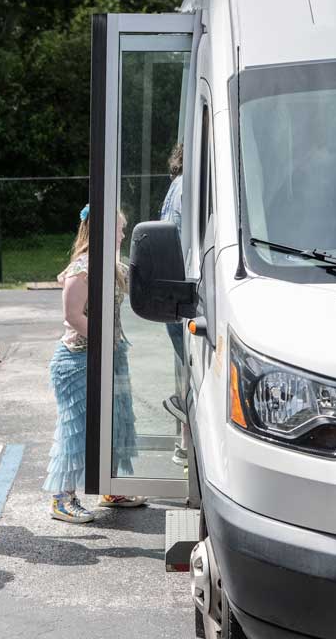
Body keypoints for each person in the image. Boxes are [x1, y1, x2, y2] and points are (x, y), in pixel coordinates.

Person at [43, 204, 144, 523]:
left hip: (107, 356)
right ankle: (61, 498)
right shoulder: (83, 267)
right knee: (77, 427)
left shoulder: (112, 265)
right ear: (101, 230)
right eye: (120, 228)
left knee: (114, 419)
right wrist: (103, 341)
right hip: (78, 360)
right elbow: (72, 316)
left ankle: (110, 486)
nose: (124, 233)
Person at [159, 144, 189, 466]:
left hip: (171, 291)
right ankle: (187, 440)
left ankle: (184, 440)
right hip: (183, 292)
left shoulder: (174, 186)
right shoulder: (186, 188)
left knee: (184, 369)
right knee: (194, 371)